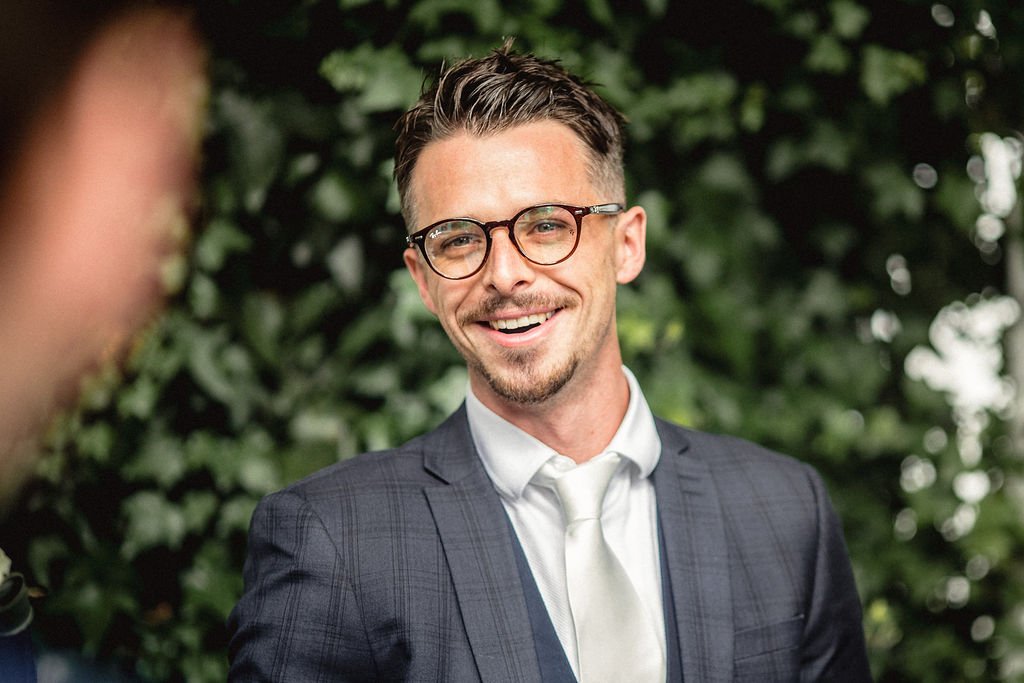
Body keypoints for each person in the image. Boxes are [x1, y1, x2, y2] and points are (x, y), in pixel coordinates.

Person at [227, 41, 872, 682]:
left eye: (544, 226)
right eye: (457, 240)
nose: (505, 276)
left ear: (626, 244)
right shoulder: (330, 539)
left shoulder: (787, 512)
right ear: (423, 281)